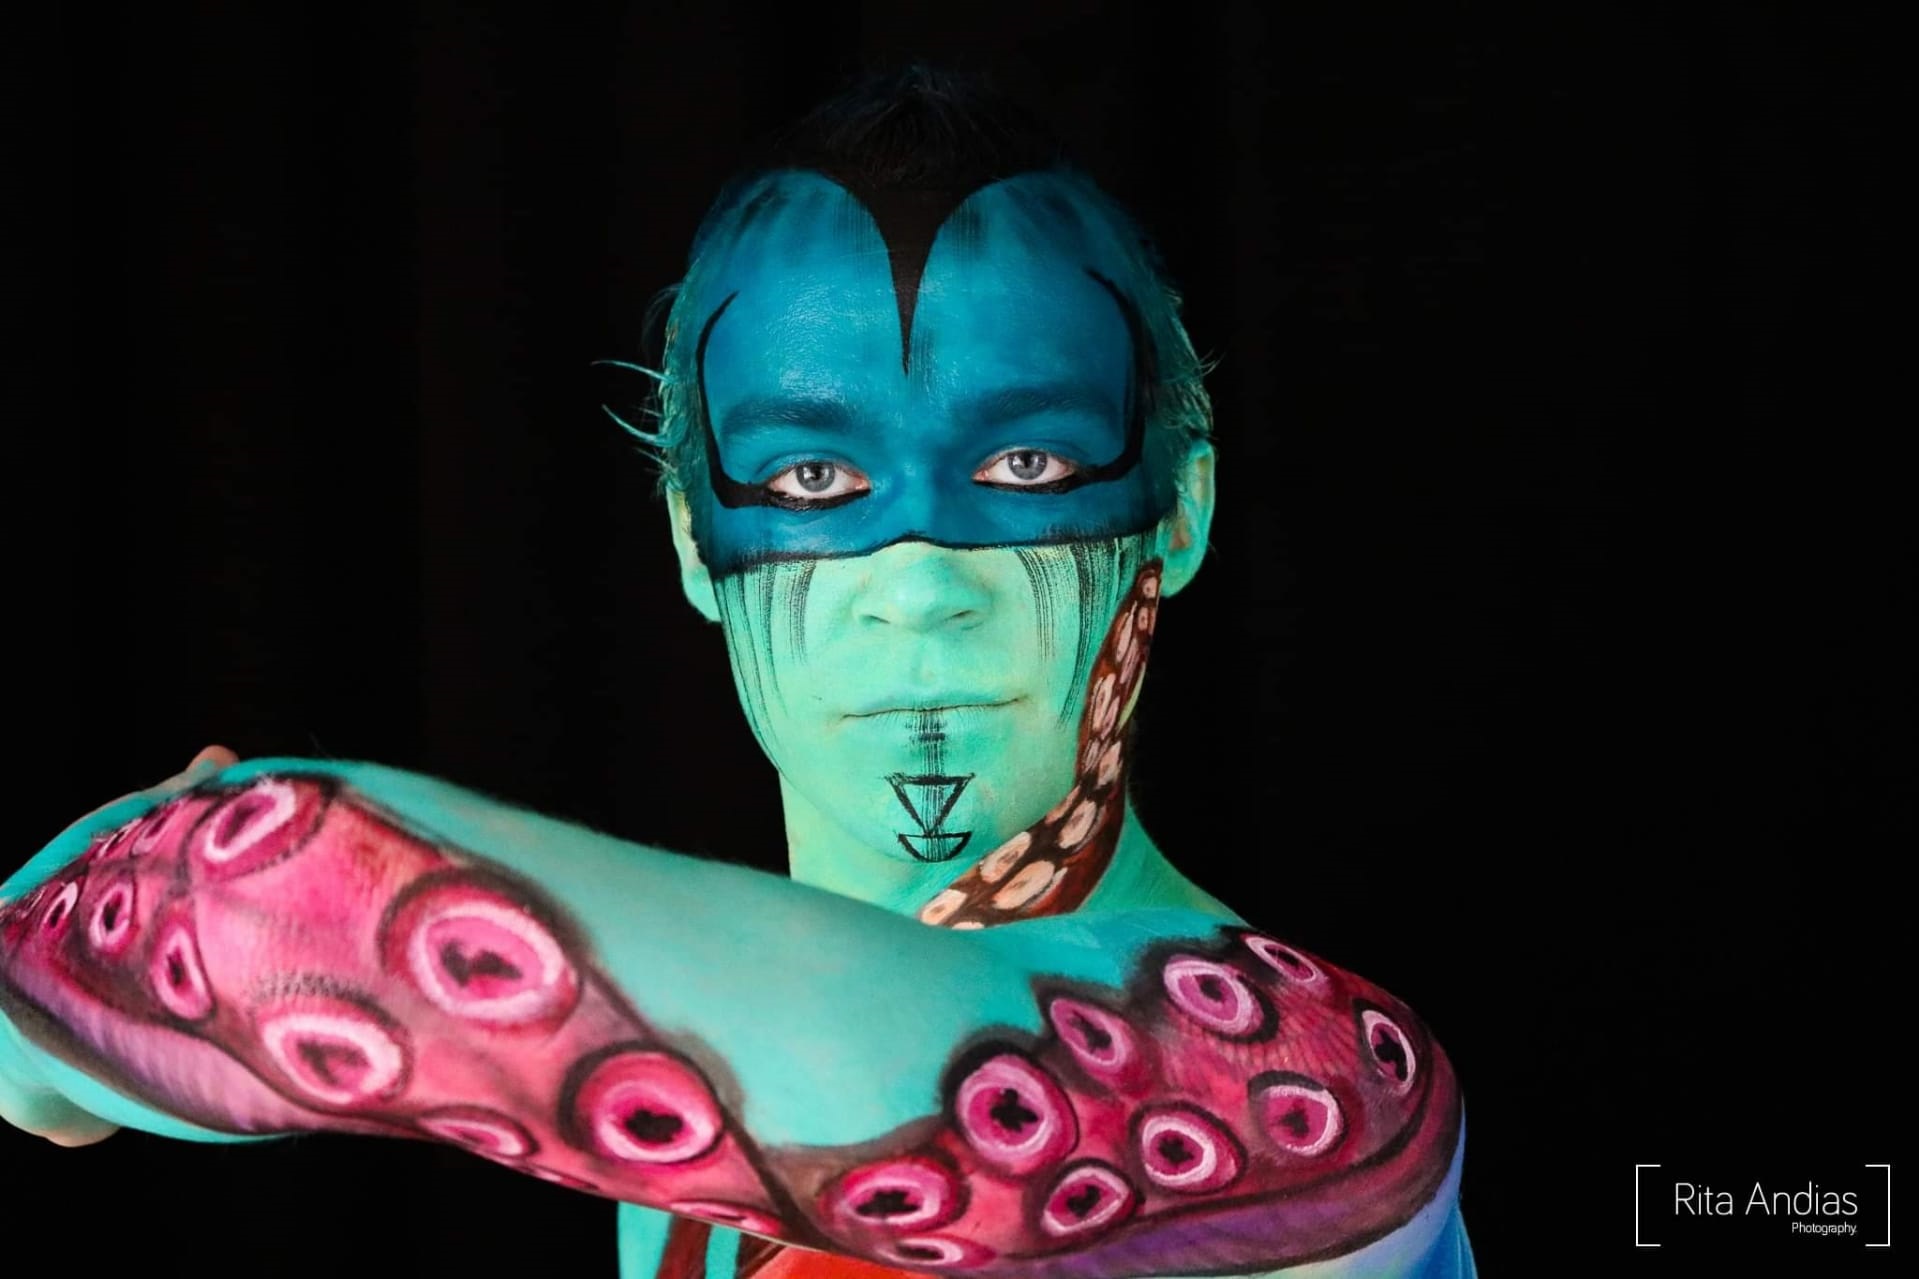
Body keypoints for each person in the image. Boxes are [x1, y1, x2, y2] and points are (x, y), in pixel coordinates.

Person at [0, 68, 1475, 1278]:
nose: (920, 587)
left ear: (1181, 514)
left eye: (1026, 464)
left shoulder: (1312, 1096)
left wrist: (86, 976)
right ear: (693, 547)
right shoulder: (697, 1138)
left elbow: (265, 899)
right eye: (814, 478)